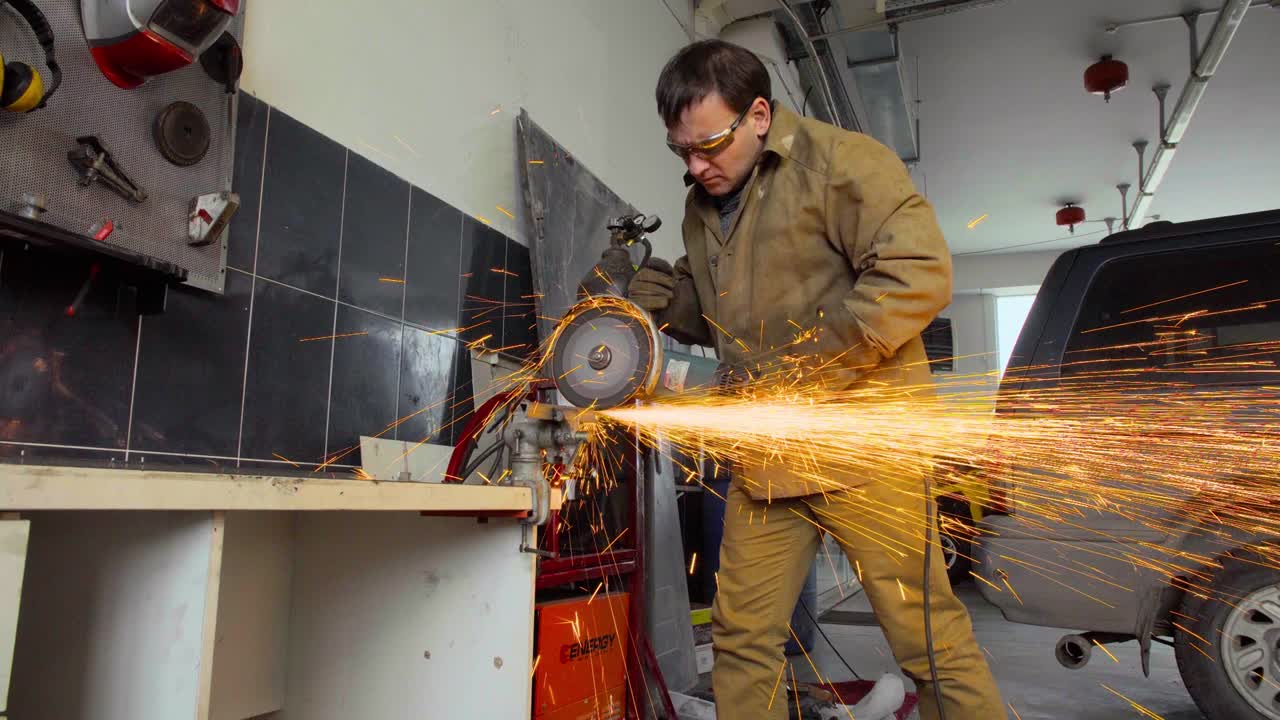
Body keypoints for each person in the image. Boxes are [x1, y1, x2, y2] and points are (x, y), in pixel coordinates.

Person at [628, 40, 1005, 720]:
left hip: (865, 450)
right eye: (680, 150)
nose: (696, 165)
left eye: (710, 144)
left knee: (926, 641)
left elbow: (918, 273)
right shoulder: (704, 202)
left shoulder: (842, 165)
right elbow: (729, 315)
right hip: (770, 462)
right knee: (742, 642)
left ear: (761, 114)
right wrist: (670, 300)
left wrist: (803, 371)